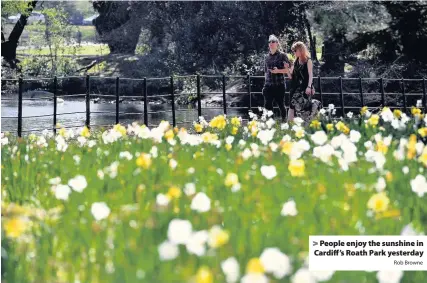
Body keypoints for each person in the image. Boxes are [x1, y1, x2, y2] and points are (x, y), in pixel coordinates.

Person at [285, 41, 321, 122]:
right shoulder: (296, 61)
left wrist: (309, 86)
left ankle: (315, 105)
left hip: (304, 87)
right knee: (291, 106)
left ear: (300, 50)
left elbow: (310, 75)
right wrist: (287, 68)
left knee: (303, 108)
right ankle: (289, 126)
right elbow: (290, 76)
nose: (294, 52)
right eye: (293, 51)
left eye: (295, 50)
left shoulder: (308, 61)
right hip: (294, 88)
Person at [262, 34, 290, 121]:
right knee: (267, 105)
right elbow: (266, 72)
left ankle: (284, 121)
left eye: (273, 41)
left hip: (279, 84)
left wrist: (278, 71)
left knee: (281, 104)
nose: (271, 43)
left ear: (277, 43)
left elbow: (288, 70)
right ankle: (271, 123)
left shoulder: (283, 55)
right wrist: (265, 84)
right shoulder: (266, 57)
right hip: (268, 85)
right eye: (269, 42)